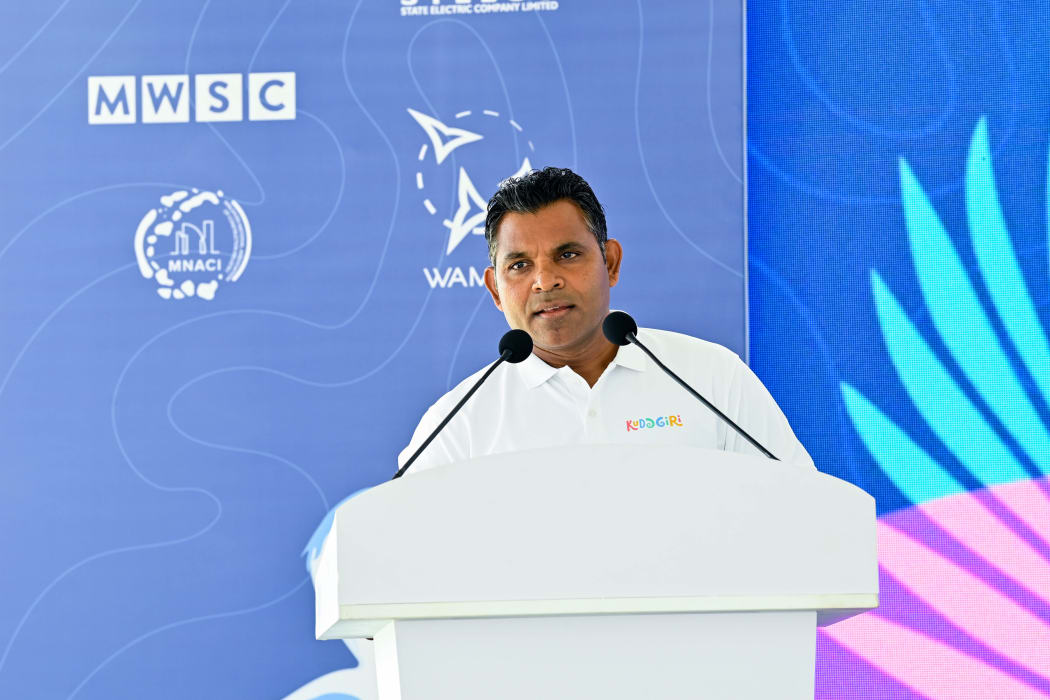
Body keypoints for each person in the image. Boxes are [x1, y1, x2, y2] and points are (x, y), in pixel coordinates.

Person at [397, 167, 814, 474]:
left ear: (610, 262)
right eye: (520, 265)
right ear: (494, 289)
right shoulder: (458, 424)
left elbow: (802, 508)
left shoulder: (711, 377)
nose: (545, 281)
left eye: (567, 255)